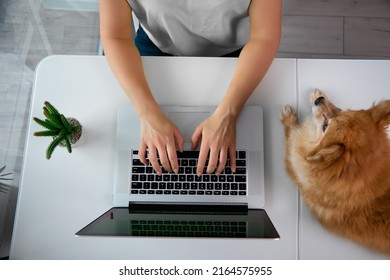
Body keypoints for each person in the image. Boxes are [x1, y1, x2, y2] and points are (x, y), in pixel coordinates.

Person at [99, 0, 282, 176]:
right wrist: (147, 113)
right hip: (156, 44)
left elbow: (264, 36)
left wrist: (228, 114)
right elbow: (116, 36)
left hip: (233, 50)